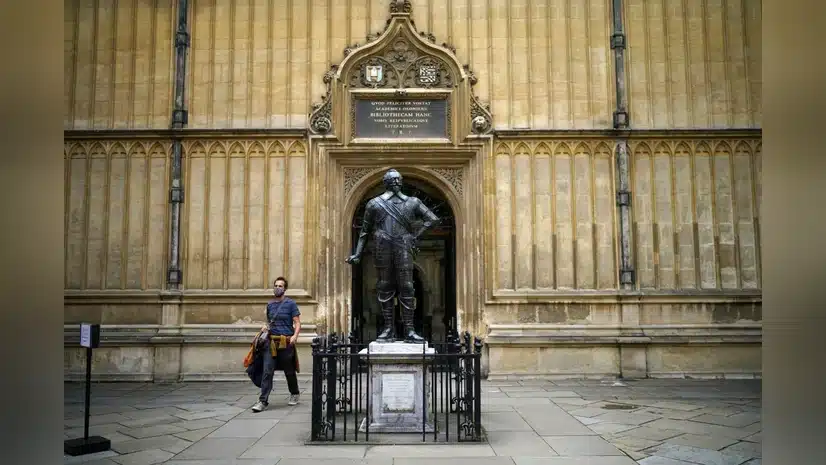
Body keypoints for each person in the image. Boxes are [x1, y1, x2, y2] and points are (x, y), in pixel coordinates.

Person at [346, 169, 439, 343]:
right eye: (393, 180)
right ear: (386, 183)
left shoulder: (413, 202)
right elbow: (364, 231)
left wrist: (415, 235)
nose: (396, 182)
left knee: (407, 286)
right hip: (382, 246)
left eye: (398, 179)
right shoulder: (374, 204)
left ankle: (409, 330)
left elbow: (433, 219)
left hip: (403, 245)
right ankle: (388, 328)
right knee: (385, 286)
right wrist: (357, 254)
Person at [251, 276, 301, 412]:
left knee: (289, 371)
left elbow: (297, 322)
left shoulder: (290, 304)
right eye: (276, 286)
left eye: (280, 286)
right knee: (267, 371)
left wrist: (295, 336)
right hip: (271, 342)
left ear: (285, 289)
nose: (277, 288)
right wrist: (265, 327)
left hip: (286, 341)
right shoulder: (270, 305)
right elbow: (269, 322)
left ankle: (295, 393)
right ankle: (262, 401)